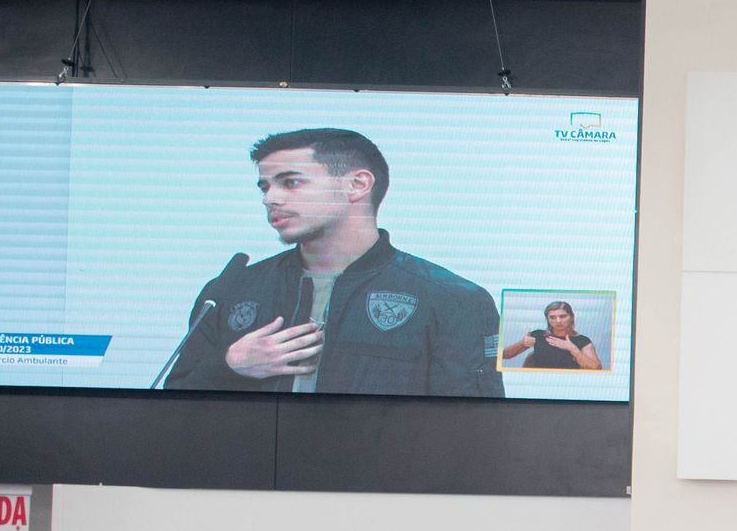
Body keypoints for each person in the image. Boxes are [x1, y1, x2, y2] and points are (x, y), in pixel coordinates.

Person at [165, 127, 504, 397]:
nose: (270, 198)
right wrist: (228, 366)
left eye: (291, 182)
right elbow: (173, 407)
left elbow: (471, 427)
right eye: (264, 187)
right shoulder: (230, 290)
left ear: (357, 185)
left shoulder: (452, 299)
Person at [503, 300, 601, 371]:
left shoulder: (582, 340)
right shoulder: (538, 335)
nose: (558, 321)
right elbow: (504, 355)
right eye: (552, 317)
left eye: (562, 316)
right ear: (548, 319)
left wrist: (573, 349)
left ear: (571, 317)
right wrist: (521, 343)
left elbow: (596, 368)